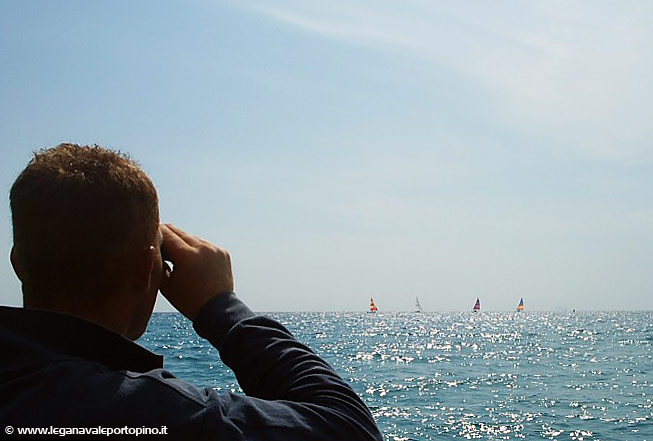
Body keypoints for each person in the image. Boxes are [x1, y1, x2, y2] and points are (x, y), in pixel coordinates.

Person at [0, 144, 382, 440]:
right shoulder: (142, 412)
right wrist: (221, 307)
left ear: (18, 263)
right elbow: (349, 430)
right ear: (146, 268)